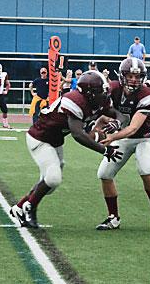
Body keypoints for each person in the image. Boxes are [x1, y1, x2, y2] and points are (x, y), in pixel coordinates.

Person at [10, 71, 126, 228]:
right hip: (40, 138)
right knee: (53, 178)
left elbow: (118, 114)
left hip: (55, 141)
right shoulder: (74, 101)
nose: (104, 94)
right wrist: (104, 150)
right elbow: (78, 134)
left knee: (49, 184)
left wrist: (117, 123)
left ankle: (19, 207)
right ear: (89, 93)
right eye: (100, 91)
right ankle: (29, 207)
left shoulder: (97, 100)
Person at [95, 58, 150, 230]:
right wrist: (97, 125)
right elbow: (102, 111)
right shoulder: (112, 88)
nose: (134, 80)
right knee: (104, 174)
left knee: (145, 169)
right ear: (122, 75)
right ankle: (113, 217)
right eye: (130, 76)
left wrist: (112, 137)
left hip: (145, 137)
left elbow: (134, 127)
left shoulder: (147, 94)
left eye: (137, 76)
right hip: (123, 137)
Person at [0, 63, 11, 128]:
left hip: (0, 95)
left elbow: (8, 84)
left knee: (5, 110)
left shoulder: (4, 75)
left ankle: (5, 124)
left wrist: (6, 90)